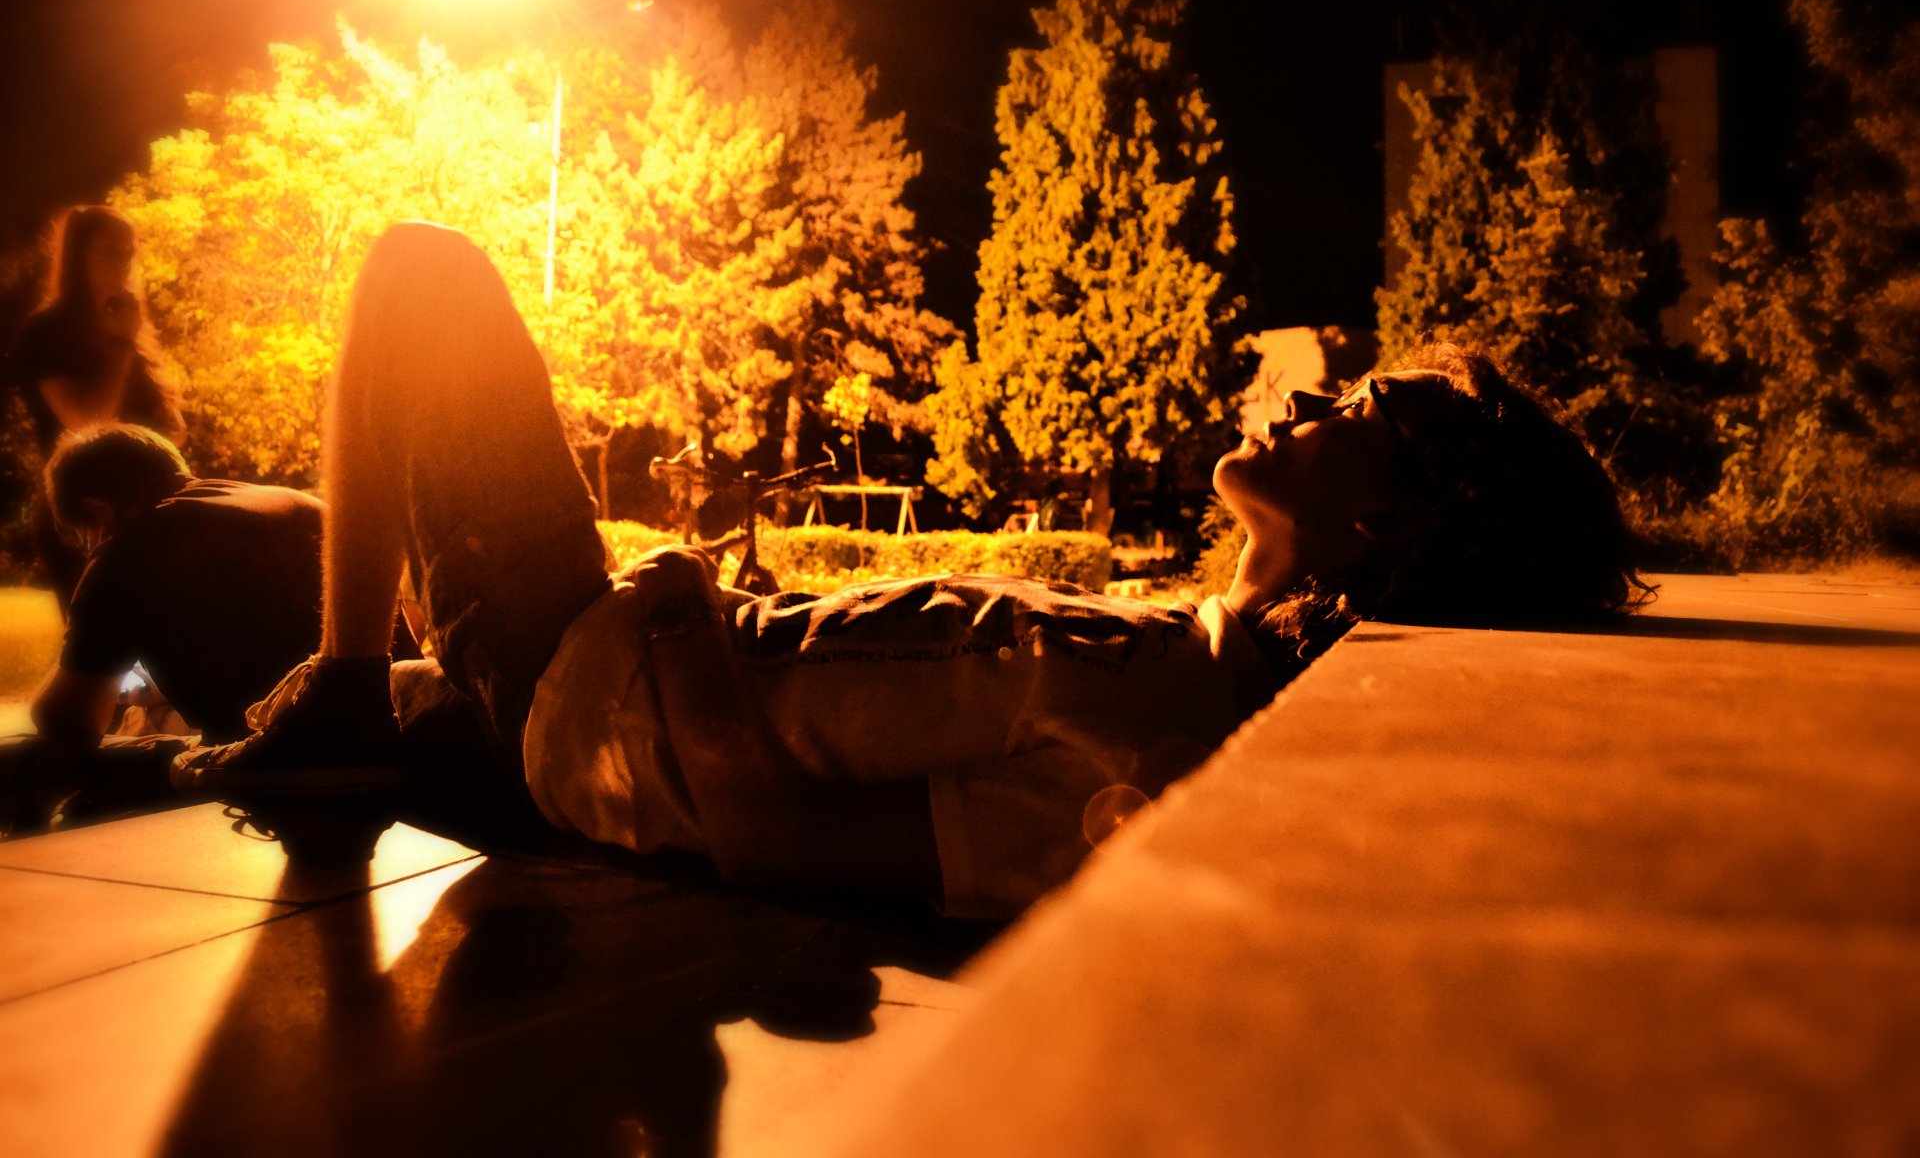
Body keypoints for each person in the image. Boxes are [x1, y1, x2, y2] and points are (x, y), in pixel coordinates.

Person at [173, 222, 1645, 918]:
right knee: (227, 719)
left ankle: (358, 693)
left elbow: (783, 850)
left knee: (416, 276)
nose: (1308, 402)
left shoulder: (1165, 737)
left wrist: (682, 610)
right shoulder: (1193, 656)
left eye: (1355, 417)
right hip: (589, 695)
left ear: (1386, 531)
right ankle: (351, 701)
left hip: (595, 678)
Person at [16, 425, 331, 823]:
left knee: (21, 761)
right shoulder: (304, 507)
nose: (89, 554)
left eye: (83, 540)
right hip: (388, 743)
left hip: (275, 767)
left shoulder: (128, 550)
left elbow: (68, 723)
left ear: (98, 510)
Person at [8, 206, 185, 609]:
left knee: (154, 662)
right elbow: (87, 421)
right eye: (109, 251)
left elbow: (171, 426)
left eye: (129, 251)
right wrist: (121, 345)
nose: (123, 262)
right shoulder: (47, 333)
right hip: (83, 520)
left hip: (148, 517)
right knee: (104, 662)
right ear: (77, 258)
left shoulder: (131, 330)